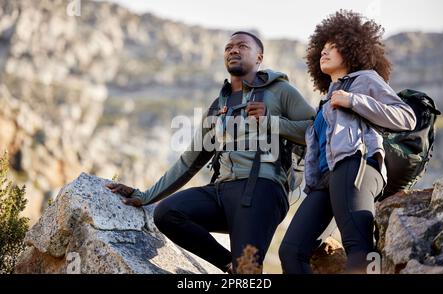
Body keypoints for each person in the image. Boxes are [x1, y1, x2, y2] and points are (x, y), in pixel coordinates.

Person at [107, 31, 315, 273]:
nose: (233, 50)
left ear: (259, 58)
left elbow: (314, 130)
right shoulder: (219, 107)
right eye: (228, 47)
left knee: (246, 272)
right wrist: (145, 196)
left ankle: (242, 269)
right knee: (167, 213)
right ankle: (231, 265)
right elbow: (188, 162)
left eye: (242, 46)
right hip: (221, 190)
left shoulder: (279, 90)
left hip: (262, 190)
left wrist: (271, 121)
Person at [279, 10, 417, 274]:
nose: (324, 52)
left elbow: (406, 117)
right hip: (324, 180)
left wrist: (353, 100)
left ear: (353, 51)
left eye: (334, 47)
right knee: (291, 252)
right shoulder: (326, 101)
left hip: (356, 165)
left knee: (359, 246)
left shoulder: (365, 79)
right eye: (323, 48)